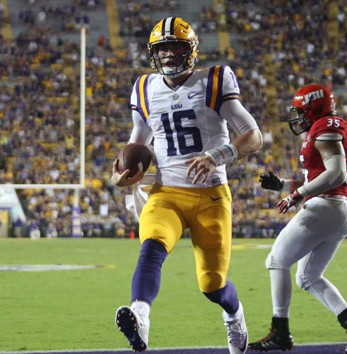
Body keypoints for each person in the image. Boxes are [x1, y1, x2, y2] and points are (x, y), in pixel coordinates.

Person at [112, 17, 263, 353]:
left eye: (175, 46)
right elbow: (136, 144)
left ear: (191, 49)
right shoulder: (144, 88)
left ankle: (234, 315)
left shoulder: (214, 80)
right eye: (161, 48)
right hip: (167, 192)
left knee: (212, 285)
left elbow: (253, 135)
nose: (168, 55)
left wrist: (216, 156)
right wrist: (122, 174)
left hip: (210, 194)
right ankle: (140, 317)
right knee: (151, 246)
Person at [248, 84, 347, 354]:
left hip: (324, 206)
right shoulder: (323, 129)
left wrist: (296, 195)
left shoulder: (325, 127)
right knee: (307, 276)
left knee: (276, 261)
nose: (298, 117)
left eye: (302, 111)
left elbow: (336, 173)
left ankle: (279, 331)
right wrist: (283, 185)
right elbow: (319, 177)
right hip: (336, 208)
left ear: (314, 108)